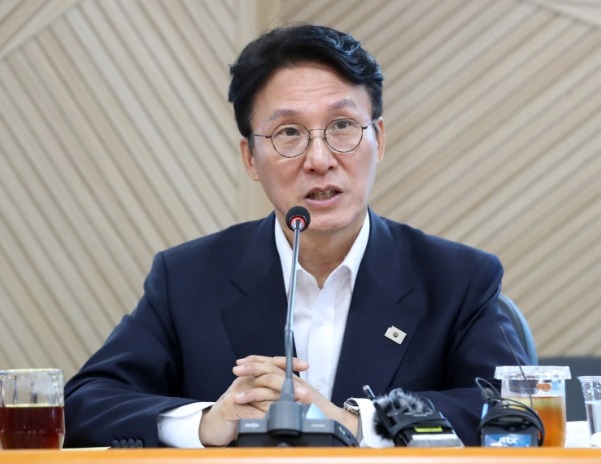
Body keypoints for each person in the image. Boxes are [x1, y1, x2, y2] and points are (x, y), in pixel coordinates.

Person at [63, 24, 529, 448]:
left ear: (379, 140)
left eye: (342, 126)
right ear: (250, 158)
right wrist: (207, 422)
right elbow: (86, 403)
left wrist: (355, 422)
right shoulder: (187, 278)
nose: (320, 160)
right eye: (288, 133)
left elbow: (517, 410)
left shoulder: (457, 279)